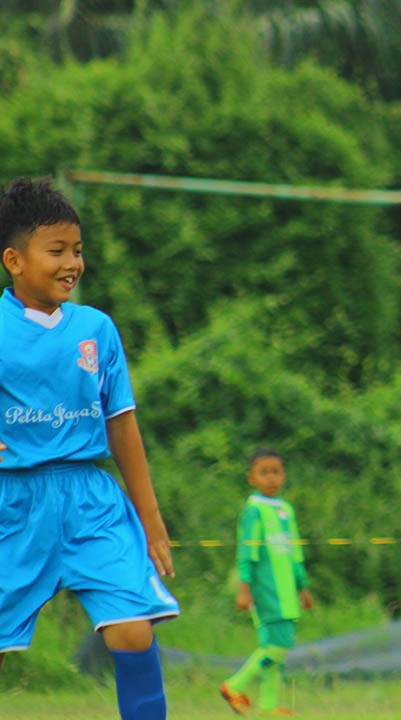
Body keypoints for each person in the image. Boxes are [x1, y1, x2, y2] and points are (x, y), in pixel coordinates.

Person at [0, 177, 179, 720]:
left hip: (90, 500)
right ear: (14, 259)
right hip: (14, 504)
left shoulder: (97, 330)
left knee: (131, 630)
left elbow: (124, 430)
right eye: (56, 251)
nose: (71, 263)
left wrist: (150, 521)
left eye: (77, 251)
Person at [220, 447, 314, 717]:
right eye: (264, 472)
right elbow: (247, 551)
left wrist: (303, 586)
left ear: (283, 475)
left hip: (287, 592)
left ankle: (268, 706)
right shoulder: (254, 510)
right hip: (265, 590)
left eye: (276, 472)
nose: (271, 478)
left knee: (276, 650)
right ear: (252, 478)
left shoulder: (286, 509)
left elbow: (294, 551)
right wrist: (244, 587)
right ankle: (233, 686)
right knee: (278, 645)